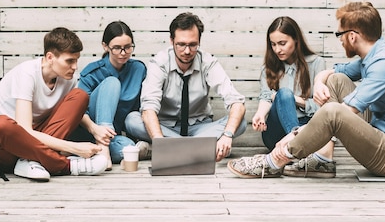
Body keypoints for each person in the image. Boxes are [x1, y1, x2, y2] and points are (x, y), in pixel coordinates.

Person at [228, 1, 385, 179]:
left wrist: (294, 135)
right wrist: (318, 81)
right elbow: (334, 72)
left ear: (352, 36)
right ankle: (323, 159)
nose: (339, 40)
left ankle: (274, 161)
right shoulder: (374, 56)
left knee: (335, 111)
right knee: (336, 80)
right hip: (382, 138)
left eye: (339, 34)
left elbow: (343, 112)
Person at [0, 27, 108, 181]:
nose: (75, 66)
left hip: (38, 138)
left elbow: (72, 112)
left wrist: (93, 128)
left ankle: (32, 161)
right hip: (8, 146)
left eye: (76, 60)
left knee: (80, 96)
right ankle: (66, 166)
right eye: (69, 61)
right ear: (50, 57)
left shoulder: (68, 78)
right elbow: (25, 130)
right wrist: (74, 147)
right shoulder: (27, 74)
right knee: (0, 124)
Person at [125, 12, 247, 162]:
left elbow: (236, 101)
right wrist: (159, 139)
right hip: (165, 127)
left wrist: (227, 136)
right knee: (132, 120)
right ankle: (202, 149)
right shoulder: (159, 63)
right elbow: (149, 108)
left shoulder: (208, 62)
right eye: (181, 44)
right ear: (171, 41)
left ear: (199, 42)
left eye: (193, 45)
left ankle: (159, 150)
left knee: (240, 122)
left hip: (200, 128)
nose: (187, 51)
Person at [76, 21, 147, 170]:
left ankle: (99, 151)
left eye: (128, 47)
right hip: (89, 132)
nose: (123, 53)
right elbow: (79, 111)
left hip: (114, 137)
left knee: (129, 148)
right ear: (105, 46)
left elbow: (139, 107)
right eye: (116, 48)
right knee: (112, 83)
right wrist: (96, 130)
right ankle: (102, 150)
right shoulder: (92, 72)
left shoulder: (138, 69)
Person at [252, 16, 326, 150]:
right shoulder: (267, 68)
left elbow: (321, 106)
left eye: (282, 43)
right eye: (273, 44)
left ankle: (294, 145)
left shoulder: (316, 64)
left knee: (285, 94)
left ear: (296, 40)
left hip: (307, 127)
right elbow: (266, 97)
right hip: (276, 132)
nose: (277, 50)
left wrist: (291, 99)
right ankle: (297, 145)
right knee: (284, 93)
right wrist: (260, 114)